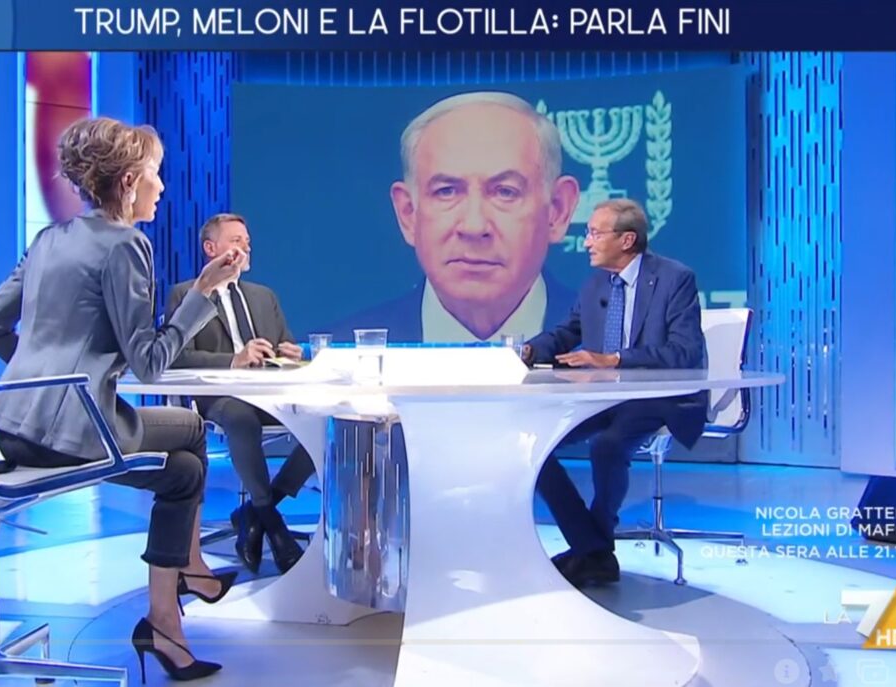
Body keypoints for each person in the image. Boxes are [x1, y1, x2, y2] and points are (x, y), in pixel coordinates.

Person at [0, 117, 244, 681]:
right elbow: (149, 361)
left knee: (183, 471)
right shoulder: (126, 245)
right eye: (155, 174)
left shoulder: (48, 240)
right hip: (75, 434)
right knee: (194, 434)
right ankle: (183, 580)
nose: (161, 187)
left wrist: (42, 379)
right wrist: (202, 293)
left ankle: (170, 612)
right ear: (128, 182)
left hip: (10, 429)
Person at [522, 199, 707, 587]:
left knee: (607, 445)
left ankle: (593, 550)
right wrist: (530, 350)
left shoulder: (675, 279)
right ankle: (592, 549)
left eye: (594, 233)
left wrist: (616, 359)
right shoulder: (596, 284)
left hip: (660, 397)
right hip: (606, 397)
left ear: (627, 240)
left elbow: (685, 352)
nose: (586, 242)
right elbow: (568, 332)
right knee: (535, 445)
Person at [329, 91, 580, 343]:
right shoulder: (336, 355)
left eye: (505, 192)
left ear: (557, 210)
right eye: (446, 191)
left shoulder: (601, 343)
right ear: (408, 213)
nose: (474, 226)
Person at [168, 213, 315, 575]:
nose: (245, 249)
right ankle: (273, 525)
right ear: (211, 248)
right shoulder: (186, 295)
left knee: (324, 420)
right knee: (239, 417)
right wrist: (233, 360)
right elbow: (177, 355)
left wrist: (291, 353)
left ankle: (257, 510)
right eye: (236, 241)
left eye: (247, 242)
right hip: (220, 397)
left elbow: (284, 345)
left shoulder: (264, 296)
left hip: (267, 393)